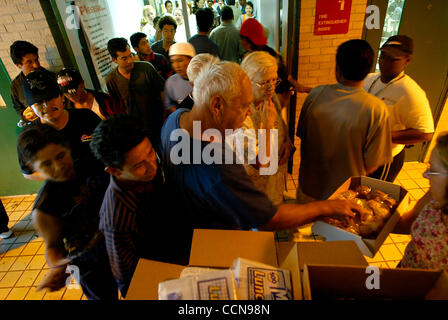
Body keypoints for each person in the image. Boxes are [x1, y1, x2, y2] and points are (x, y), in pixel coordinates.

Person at [160, 61, 362, 232]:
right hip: (213, 238)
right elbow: (268, 219)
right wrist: (326, 208)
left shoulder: (175, 120)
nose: (249, 112)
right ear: (217, 105)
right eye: (243, 106)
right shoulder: (216, 164)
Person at [90, 115, 190, 298]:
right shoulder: (118, 218)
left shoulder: (148, 172)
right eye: (139, 165)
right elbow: (128, 281)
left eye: (151, 153)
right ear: (114, 170)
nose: (152, 166)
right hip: (163, 281)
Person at [17, 123, 118, 300]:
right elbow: (53, 247)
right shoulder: (44, 209)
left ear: (68, 148)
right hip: (89, 265)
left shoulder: (92, 163)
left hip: (122, 243)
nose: (58, 166)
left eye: (61, 156)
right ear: (33, 167)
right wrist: (57, 266)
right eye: (47, 164)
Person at [296, 39, 393, 202]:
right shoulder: (377, 110)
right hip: (344, 199)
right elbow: (372, 164)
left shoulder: (315, 95)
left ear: (337, 69)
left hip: (308, 190)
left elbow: (302, 136)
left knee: (303, 227)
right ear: (368, 70)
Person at [364, 35, 434, 182]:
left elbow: (426, 133)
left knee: (373, 199)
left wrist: (383, 136)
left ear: (408, 60)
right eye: (382, 56)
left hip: (384, 160)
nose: (384, 62)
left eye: (392, 59)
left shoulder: (410, 92)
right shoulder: (370, 79)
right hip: (364, 153)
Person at [19, 70, 102, 181]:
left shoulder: (86, 117)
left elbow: (110, 146)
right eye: (38, 102)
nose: (46, 106)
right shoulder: (30, 137)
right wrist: (59, 175)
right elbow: (27, 173)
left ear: (62, 97)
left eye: (50, 98)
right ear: (31, 108)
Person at [240, 51, 291, 205]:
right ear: (247, 81)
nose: (271, 88)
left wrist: (287, 141)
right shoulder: (241, 113)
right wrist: (267, 128)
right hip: (254, 191)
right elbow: (258, 162)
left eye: (274, 80)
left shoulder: (271, 97)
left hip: (274, 182)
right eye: (264, 83)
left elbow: (280, 123)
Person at [394, 132, 448, 270]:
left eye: (433, 170)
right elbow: (408, 221)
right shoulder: (434, 196)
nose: (424, 175)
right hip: (405, 268)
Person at [239, 18, 312, 109]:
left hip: (273, 101)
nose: (240, 41)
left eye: (241, 38)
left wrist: (300, 87)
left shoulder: (265, 58)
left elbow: (285, 75)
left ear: (248, 40)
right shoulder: (264, 54)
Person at [106, 38, 165, 145]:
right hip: (135, 131)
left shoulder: (146, 68)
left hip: (158, 124)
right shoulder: (111, 80)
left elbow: (162, 91)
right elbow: (118, 107)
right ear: (114, 60)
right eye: (124, 58)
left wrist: (166, 114)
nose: (130, 61)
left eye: (130, 55)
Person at [9, 41, 57, 123]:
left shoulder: (52, 78)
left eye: (36, 60)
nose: (36, 65)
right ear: (18, 65)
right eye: (29, 62)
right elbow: (18, 107)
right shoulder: (15, 86)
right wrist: (25, 116)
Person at [56, 68, 124, 120]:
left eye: (74, 93)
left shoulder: (104, 100)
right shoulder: (66, 110)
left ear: (82, 84)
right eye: (67, 94)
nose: (71, 97)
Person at [164, 42, 196, 114]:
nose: (176, 65)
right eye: (173, 62)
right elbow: (169, 105)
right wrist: (181, 117)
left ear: (191, 59)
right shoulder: (171, 82)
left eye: (179, 60)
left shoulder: (204, 79)